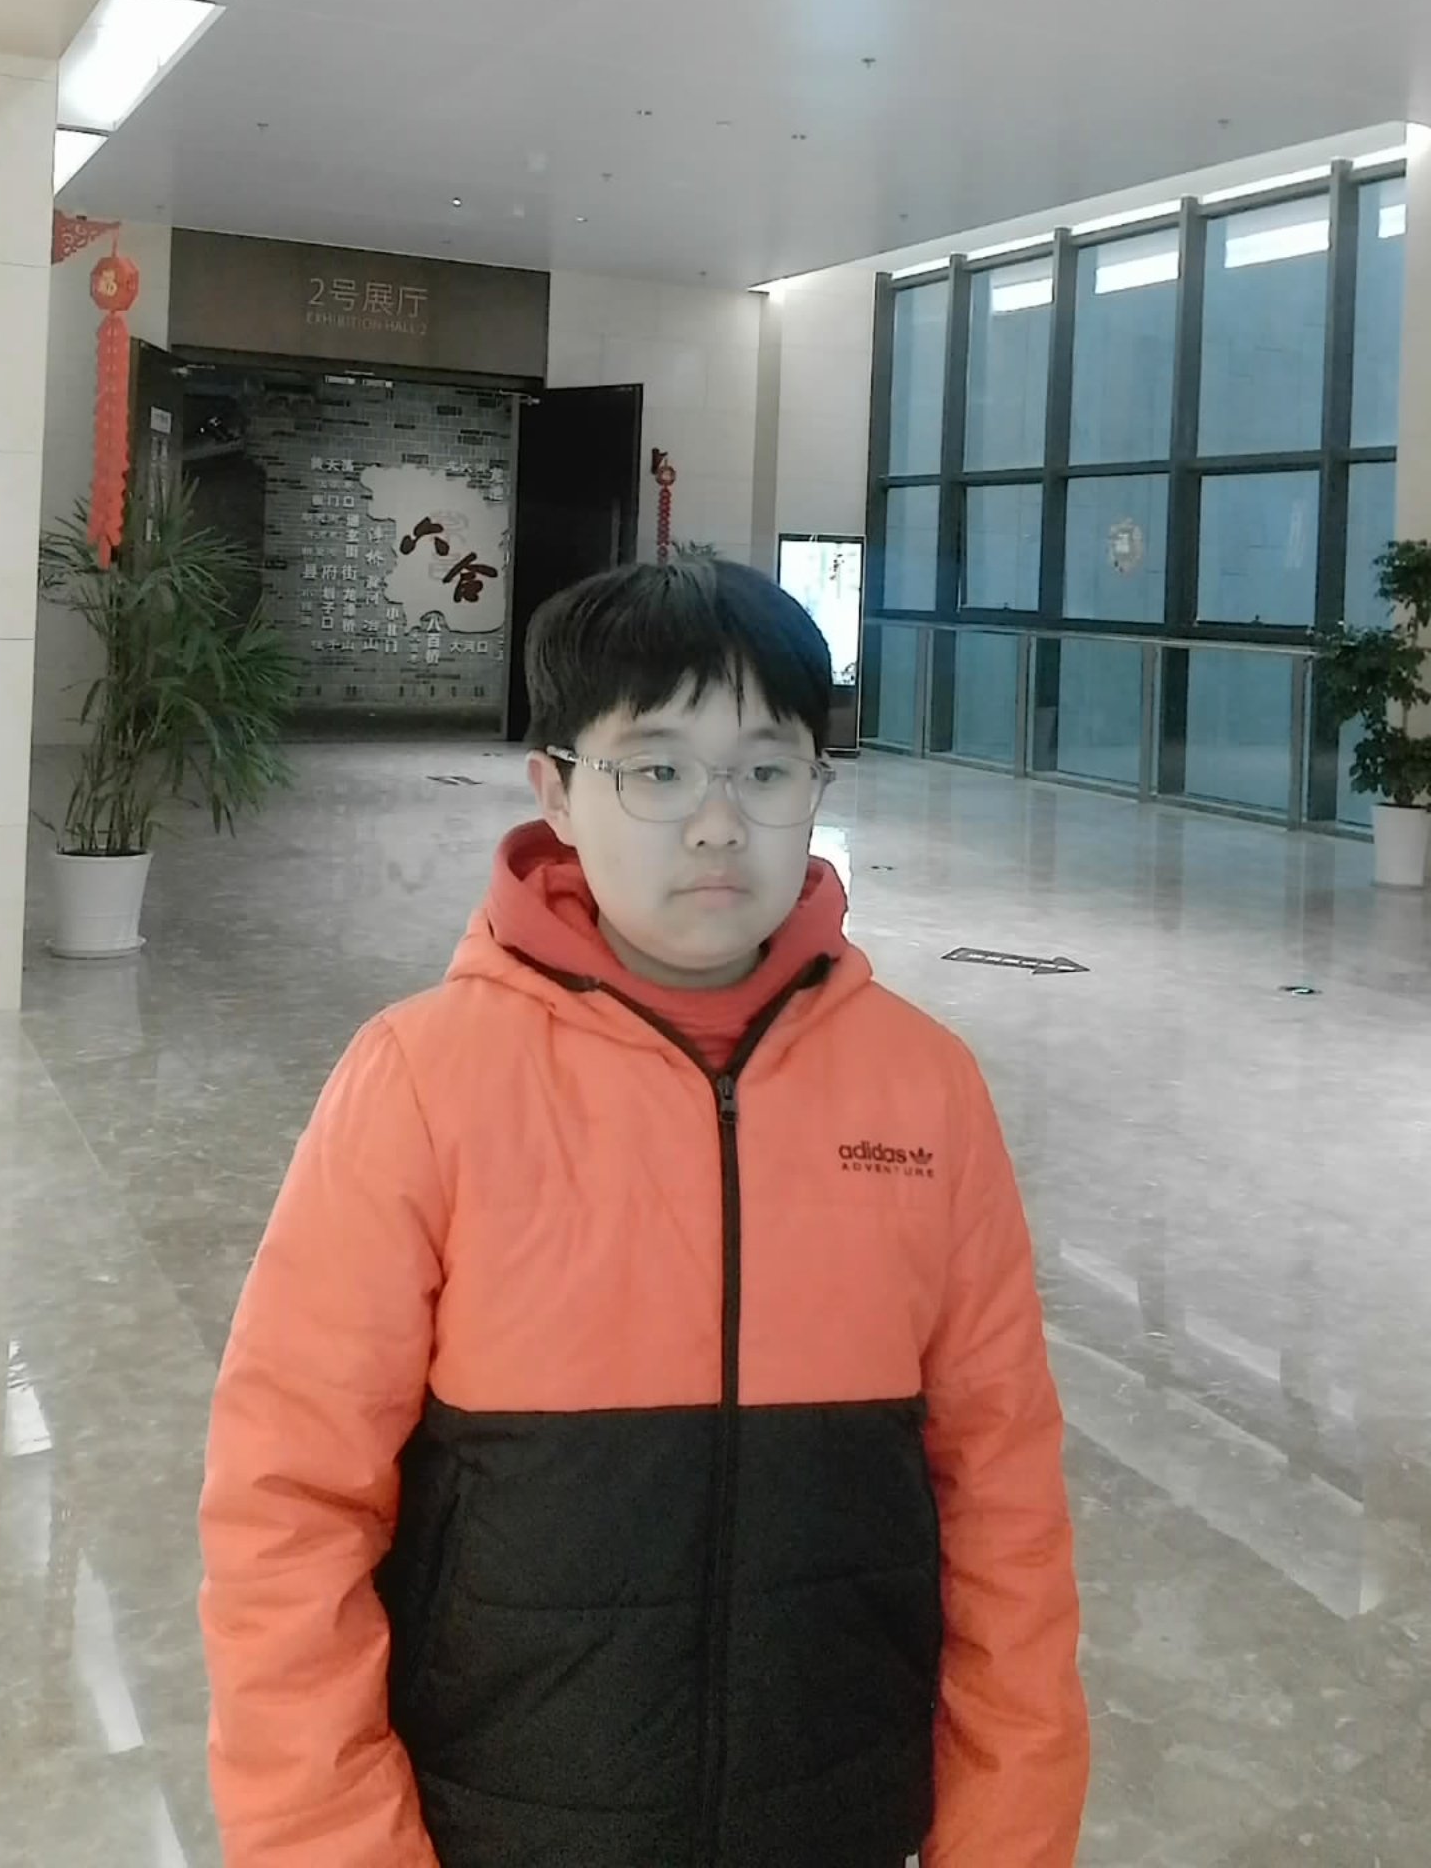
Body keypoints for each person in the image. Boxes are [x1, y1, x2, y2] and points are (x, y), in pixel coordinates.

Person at [199, 558, 1088, 1868]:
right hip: (500, 1822)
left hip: (840, 1813)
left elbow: (1002, 1488)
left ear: (819, 786)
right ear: (557, 790)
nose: (719, 825)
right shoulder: (424, 1083)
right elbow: (289, 1507)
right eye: (657, 770)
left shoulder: (925, 1088)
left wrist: (1008, 1837)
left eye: (767, 771)